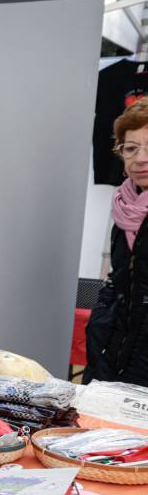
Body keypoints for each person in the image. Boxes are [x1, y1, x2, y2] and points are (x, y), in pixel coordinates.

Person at [87, 98, 148, 386]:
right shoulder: (125, 207)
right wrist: (99, 325)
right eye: (131, 148)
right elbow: (120, 281)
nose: (140, 158)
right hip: (113, 354)